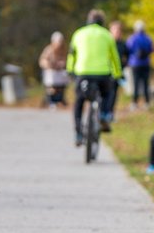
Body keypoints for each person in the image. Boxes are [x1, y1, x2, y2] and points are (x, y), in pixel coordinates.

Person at [66, 10, 121, 146]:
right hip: (103, 73)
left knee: (79, 101)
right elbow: (114, 57)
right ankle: (104, 115)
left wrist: (70, 70)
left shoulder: (78, 33)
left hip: (83, 72)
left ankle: (78, 132)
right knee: (108, 93)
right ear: (102, 22)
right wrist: (117, 73)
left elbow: (72, 55)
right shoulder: (107, 35)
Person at [126, 20, 154, 108]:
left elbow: (128, 49)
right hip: (145, 63)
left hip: (135, 64)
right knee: (146, 84)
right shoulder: (147, 38)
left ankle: (134, 103)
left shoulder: (132, 38)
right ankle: (147, 102)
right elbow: (151, 49)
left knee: (135, 84)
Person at [104, 20, 129, 118]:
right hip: (106, 72)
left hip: (117, 73)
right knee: (106, 94)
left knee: (113, 94)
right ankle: (103, 112)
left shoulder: (122, 44)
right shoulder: (106, 42)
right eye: (115, 31)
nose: (117, 33)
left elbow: (127, 55)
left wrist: (124, 64)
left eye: (119, 31)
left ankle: (110, 113)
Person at [38, 31, 69, 108]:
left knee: (64, 78)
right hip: (51, 71)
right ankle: (51, 101)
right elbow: (42, 61)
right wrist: (48, 65)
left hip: (60, 71)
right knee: (51, 82)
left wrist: (62, 64)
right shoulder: (48, 50)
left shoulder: (63, 50)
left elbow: (66, 60)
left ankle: (60, 99)